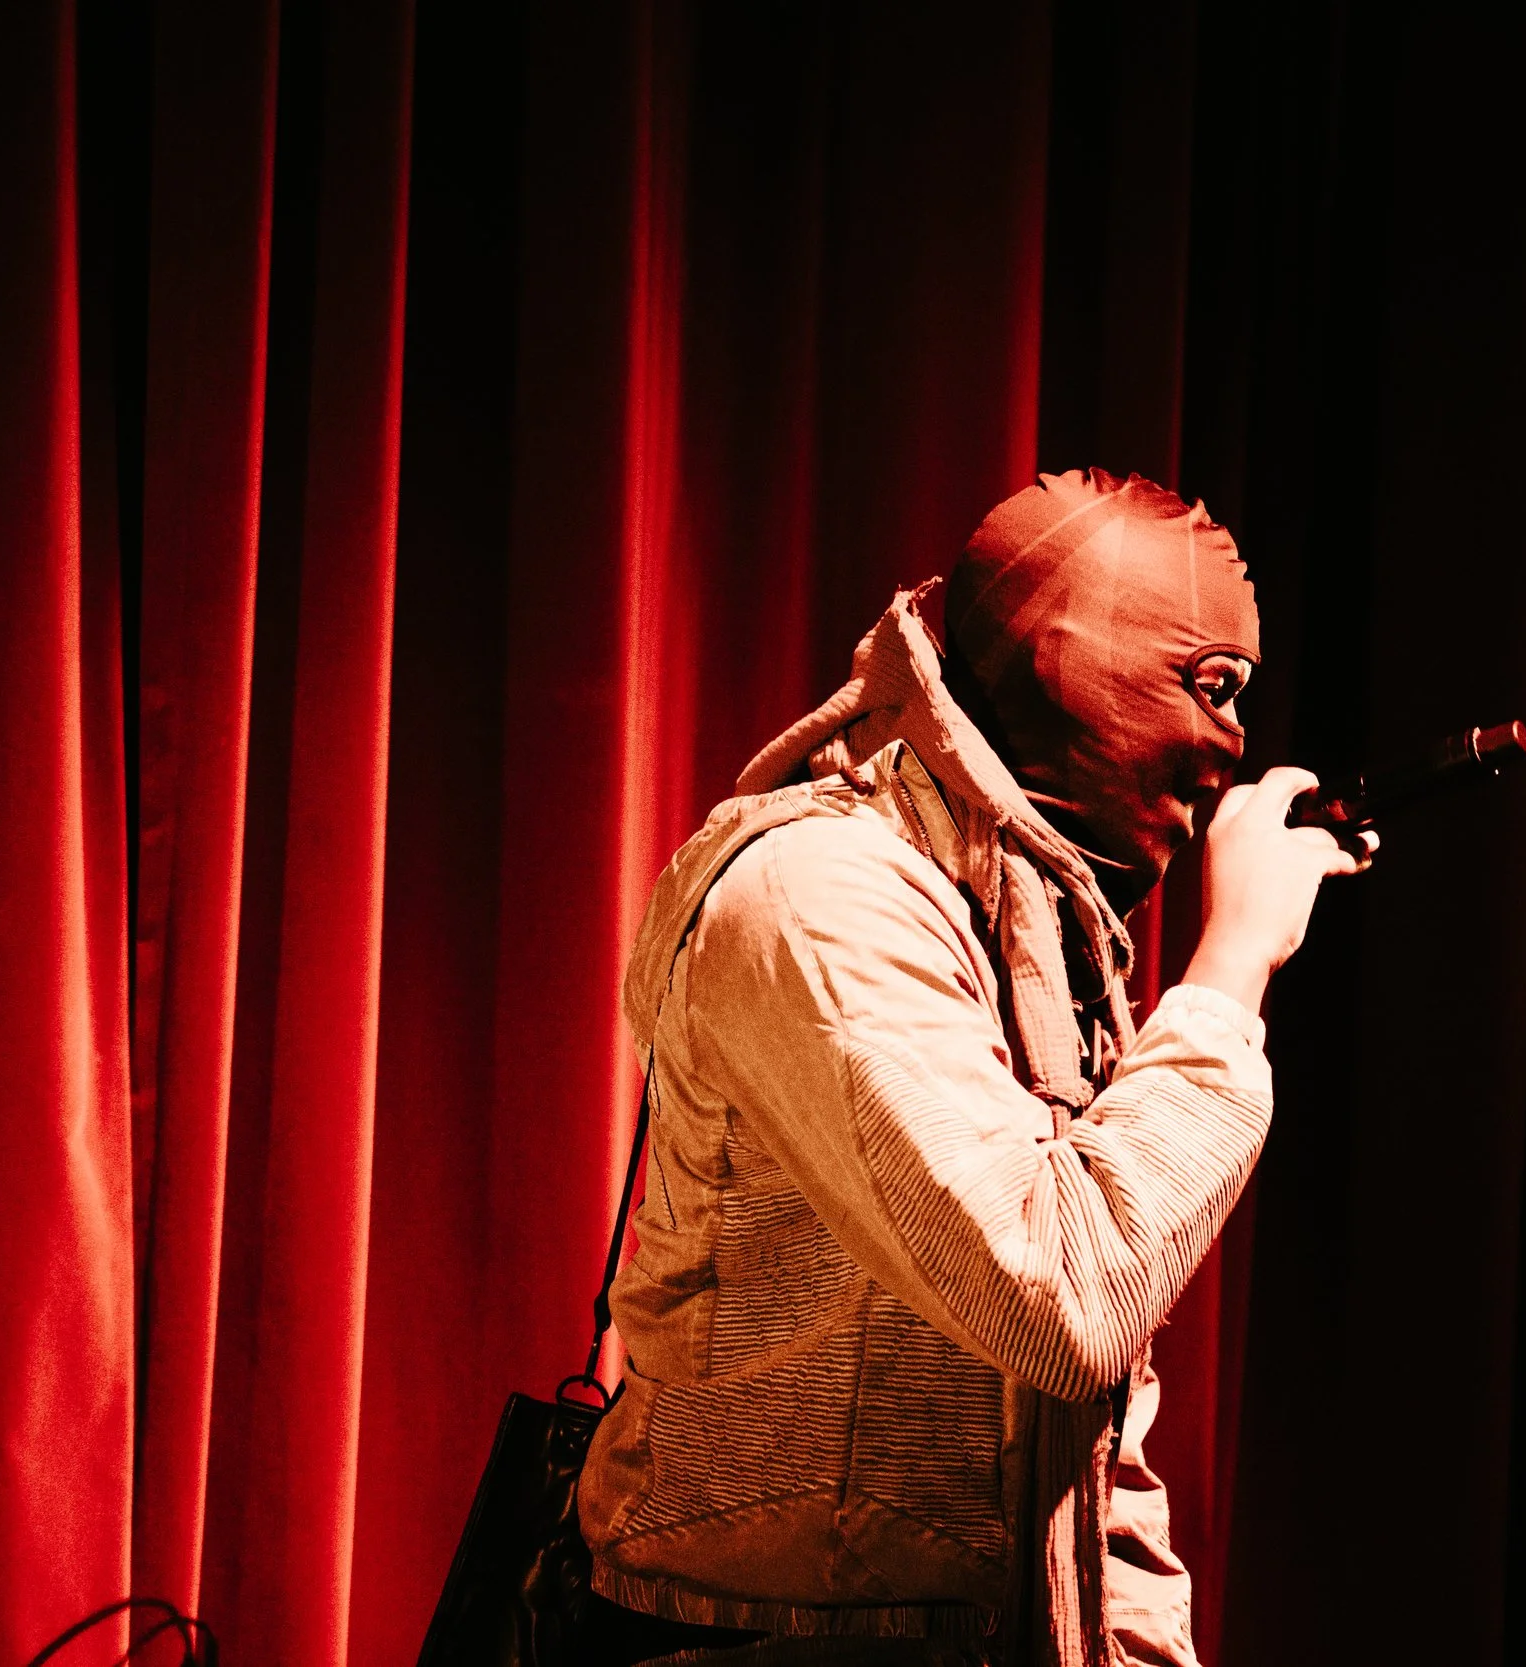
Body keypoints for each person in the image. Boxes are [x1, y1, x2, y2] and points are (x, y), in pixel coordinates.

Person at [576, 470, 1372, 1666]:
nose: (1234, 743)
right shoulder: (821, 894)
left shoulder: (1029, 916)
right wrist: (1234, 957)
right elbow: (1063, 1295)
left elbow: (1082, 1448)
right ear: (1071, 656)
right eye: (1211, 686)